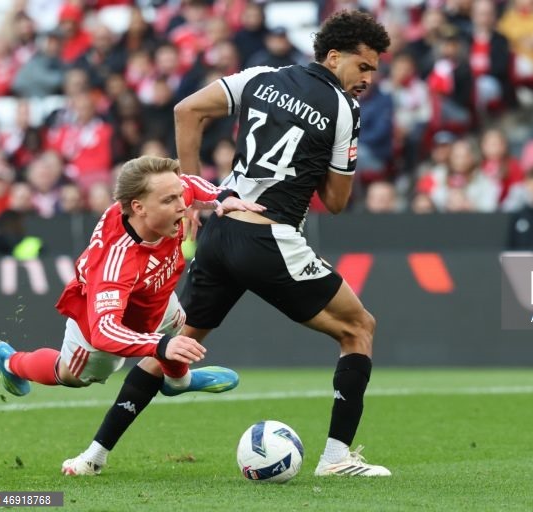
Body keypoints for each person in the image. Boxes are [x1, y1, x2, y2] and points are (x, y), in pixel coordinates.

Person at [67, 9, 392, 478]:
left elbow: (186, 110)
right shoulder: (345, 110)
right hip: (270, 234)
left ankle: (92, 456)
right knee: (359, 328)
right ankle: (337, 459)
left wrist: (190, 196)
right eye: (363, 66)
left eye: (374, 70)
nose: (368, 78)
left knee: (172, 348)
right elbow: (336, 201)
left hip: (220, 232)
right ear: (334, 56)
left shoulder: (261, 77)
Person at [0, 155, 265, 474]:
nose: (181, 205)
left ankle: (178, 380)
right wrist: (158, 347)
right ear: (138, 208)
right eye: (170, 199)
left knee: (176, 323)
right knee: (72, 375)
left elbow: (189, 184)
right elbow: (106, 328)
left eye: (178, 197)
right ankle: (12, 363)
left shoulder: (163, 201)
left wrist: (222, 197)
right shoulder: (117, 263)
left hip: (153, 299)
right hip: (99, 323)